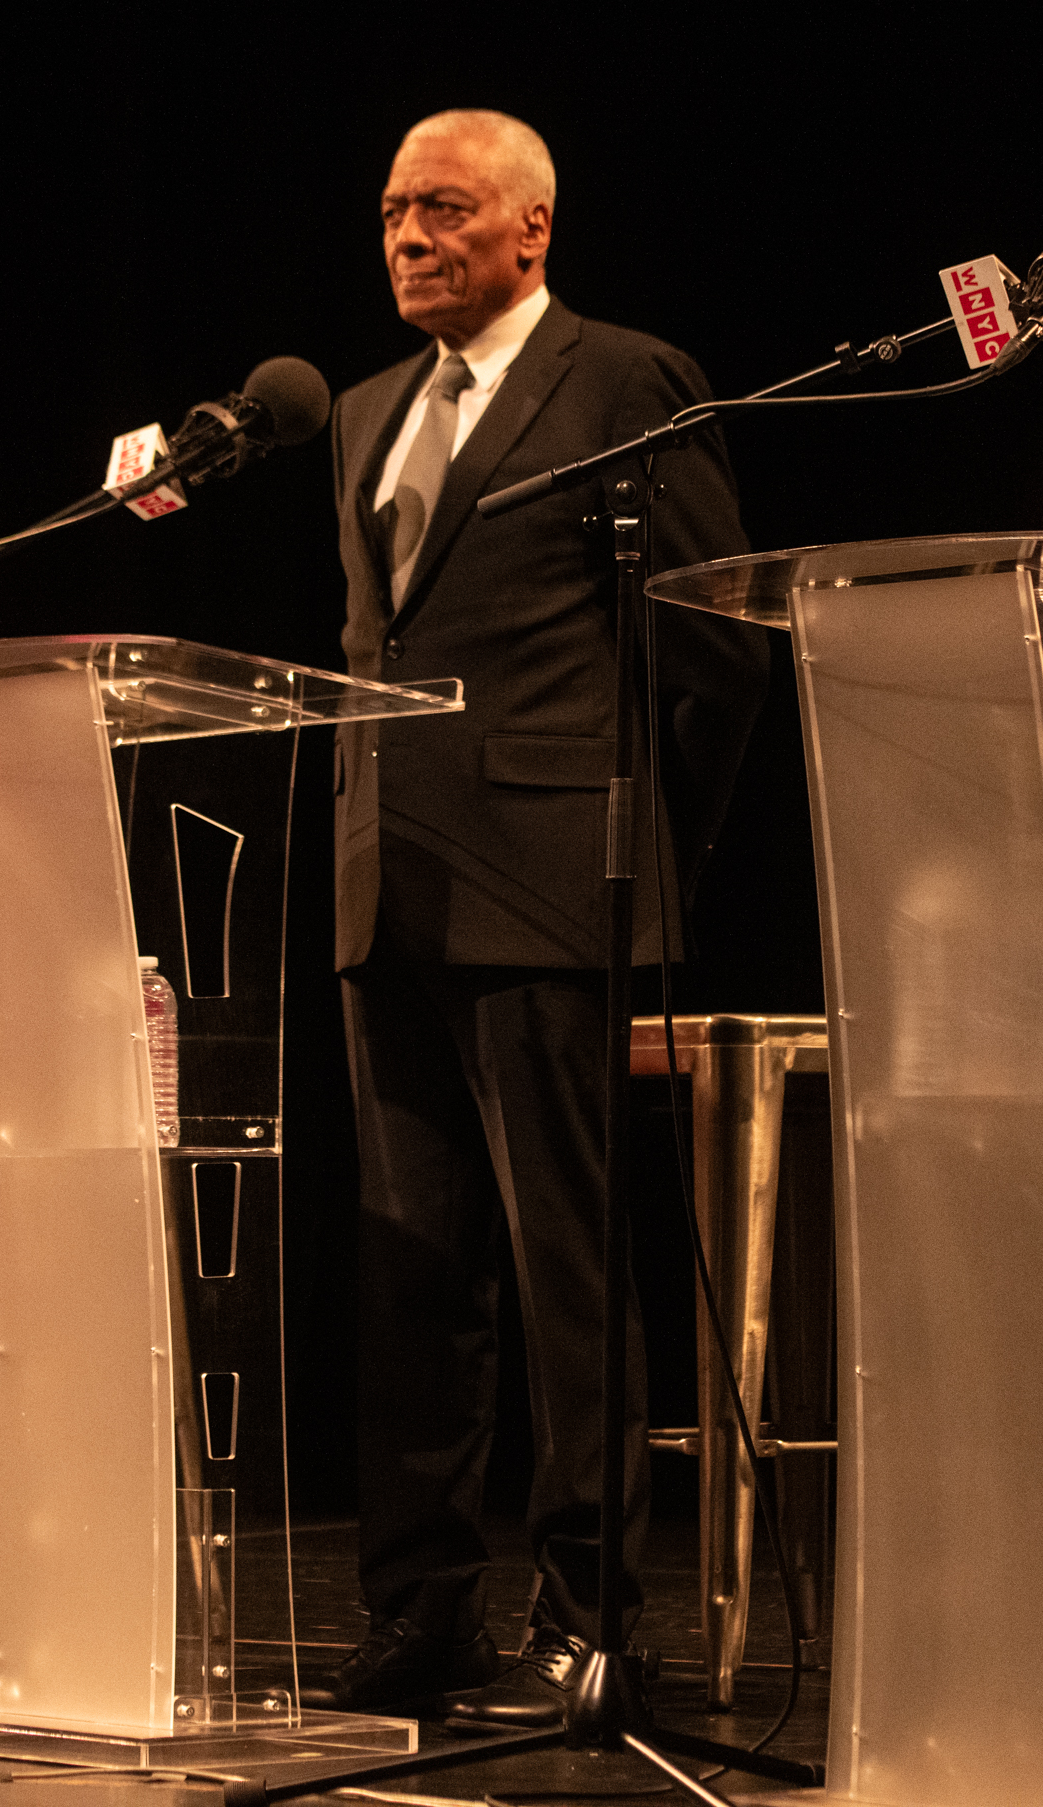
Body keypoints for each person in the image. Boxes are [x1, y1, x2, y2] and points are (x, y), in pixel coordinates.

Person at [303, 110, 769, 1728]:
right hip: (392, 891)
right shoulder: (362, 410)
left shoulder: (627, 378)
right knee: (412, 1268)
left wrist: (643, 855)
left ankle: (588, 1617)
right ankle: (418, 1609)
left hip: (558, 885)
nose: (408, 236)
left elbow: (715, 645)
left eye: (441, 209)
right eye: (389, 212)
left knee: (568, 1269)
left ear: (531, 230)